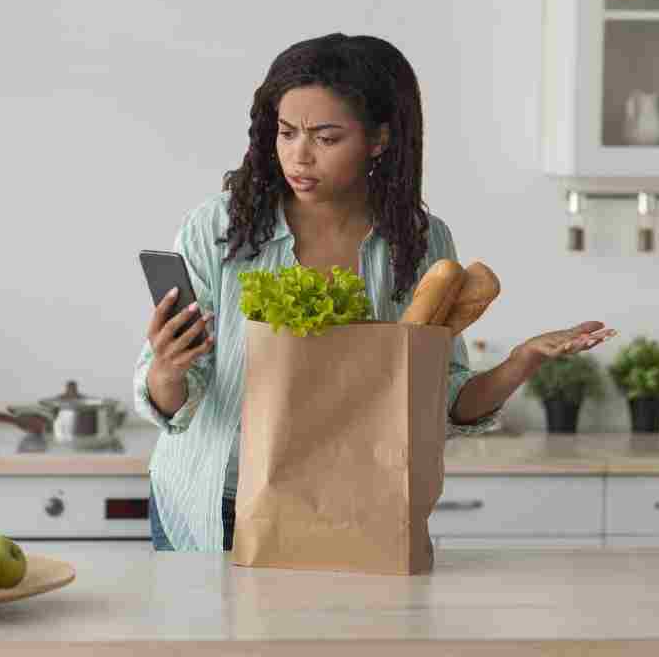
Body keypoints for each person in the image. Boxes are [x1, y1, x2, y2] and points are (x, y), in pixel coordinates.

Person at [132, 33, 616, 553]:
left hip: (350, 504)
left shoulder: (420, 241)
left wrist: (521, 361)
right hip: (212, 502)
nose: (299, 155)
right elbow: (173, 405)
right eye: (287, 132)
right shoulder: (220, 228)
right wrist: (167, 368)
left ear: (379, 140)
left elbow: (440, 400)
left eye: (326, 137)